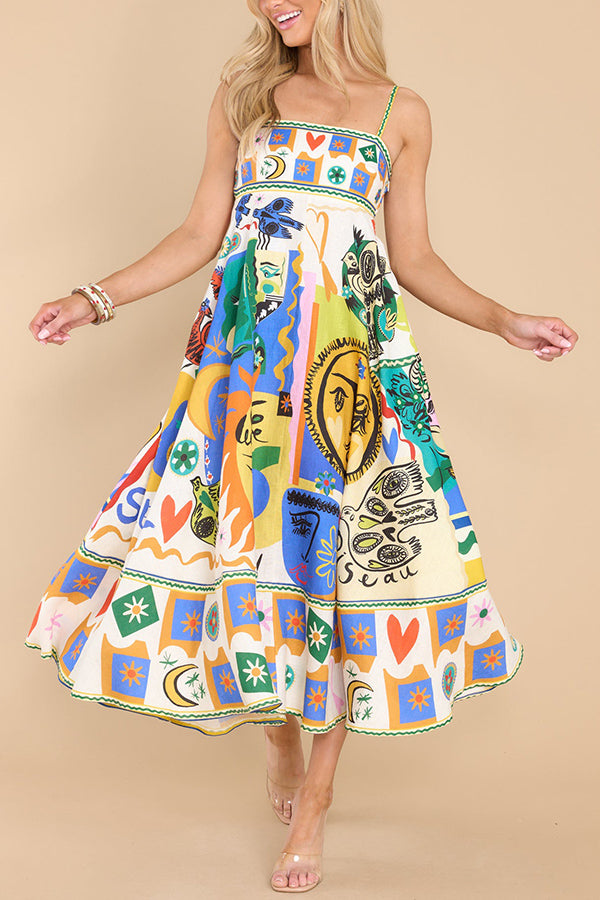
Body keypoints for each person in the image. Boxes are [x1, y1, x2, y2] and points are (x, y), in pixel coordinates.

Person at [25, 0, 578, 893]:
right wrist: (94, 298)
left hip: (348, 377)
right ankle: (279, 730)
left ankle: (316, 799)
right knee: (253, 554)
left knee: (344, 571)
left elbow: (413, 260)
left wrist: (503, 319)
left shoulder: (402, 112)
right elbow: (200, 234)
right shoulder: (245, 94)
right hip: (245, 375)